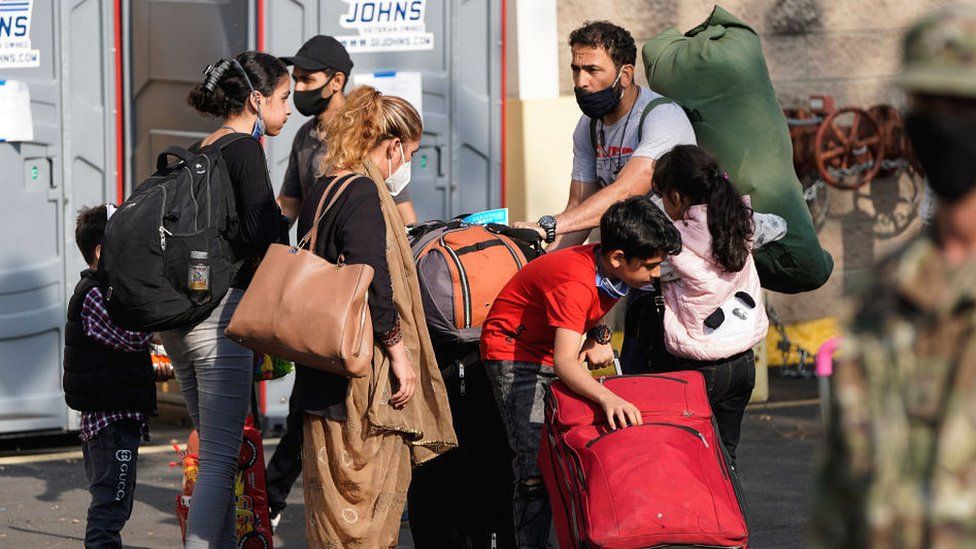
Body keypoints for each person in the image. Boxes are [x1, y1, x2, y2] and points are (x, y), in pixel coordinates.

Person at [813, 6, 976, 547]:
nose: (945, 122)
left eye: (963, 105)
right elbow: (841, 496)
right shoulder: (879, 298)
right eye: (929, 105)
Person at [294, 85, 456, 547]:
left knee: (333, 511)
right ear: (394, 146)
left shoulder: (324, 186)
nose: (408, 166)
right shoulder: (364, 192)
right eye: (411, 155)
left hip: (320, 370)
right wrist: (400, 354)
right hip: (359, 379)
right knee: (368, 508)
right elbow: (373, 281)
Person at [481, 196, 683, 547]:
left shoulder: (609, 266)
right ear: (619, 257)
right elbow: (564, 363)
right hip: (515, 353)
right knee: (534, 468)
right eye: (651, 266)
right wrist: (608, 397)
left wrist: (599, 336)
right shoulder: (574, 281)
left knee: (570, 454)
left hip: (554, 347)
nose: (655, 274)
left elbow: (593, 304)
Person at [157, 51, 290, 547]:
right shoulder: (243, 150)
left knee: (215, 448)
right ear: (256, 100)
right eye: (282, 98)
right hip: (219, 317)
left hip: (180, 321)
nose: (288, 109)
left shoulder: (200, 149)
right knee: (219, 455)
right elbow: (262, 233)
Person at [512, 21, 695, 248]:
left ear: (625, 75)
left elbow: (625, 192)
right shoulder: (588, 126)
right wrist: (542, 266)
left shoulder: (662, 117)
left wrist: (548, 225)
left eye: (592, 70)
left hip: (674, 261)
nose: (581, 82)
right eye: (575, 69)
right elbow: (579, 208)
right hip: (626, 262)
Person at [645, 144, 769, 463]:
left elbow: (643, 268)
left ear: (676, 196)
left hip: (698, 366)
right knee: (727, 458)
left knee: (692, 460)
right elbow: (777, 226)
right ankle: (735, 514)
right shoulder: (741, 223)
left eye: (661, 195)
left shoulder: (674, 240)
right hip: (743, 363)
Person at [62, 204, 156, 549]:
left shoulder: (107, 292)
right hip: (109, 425)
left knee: (116, 504)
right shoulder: (94, 296)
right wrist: (157, 319)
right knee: (110, 508)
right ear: (101, 252)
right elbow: (132, 337)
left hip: (115, 421)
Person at [276, 35, 419, 226]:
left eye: (306, 79)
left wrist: (415, 245)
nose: (299, 88)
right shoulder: (304, 135)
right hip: (316, 252)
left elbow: (400, 205)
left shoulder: (366, 131)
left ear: (337, 81)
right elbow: (289, 203)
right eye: (296, 80)